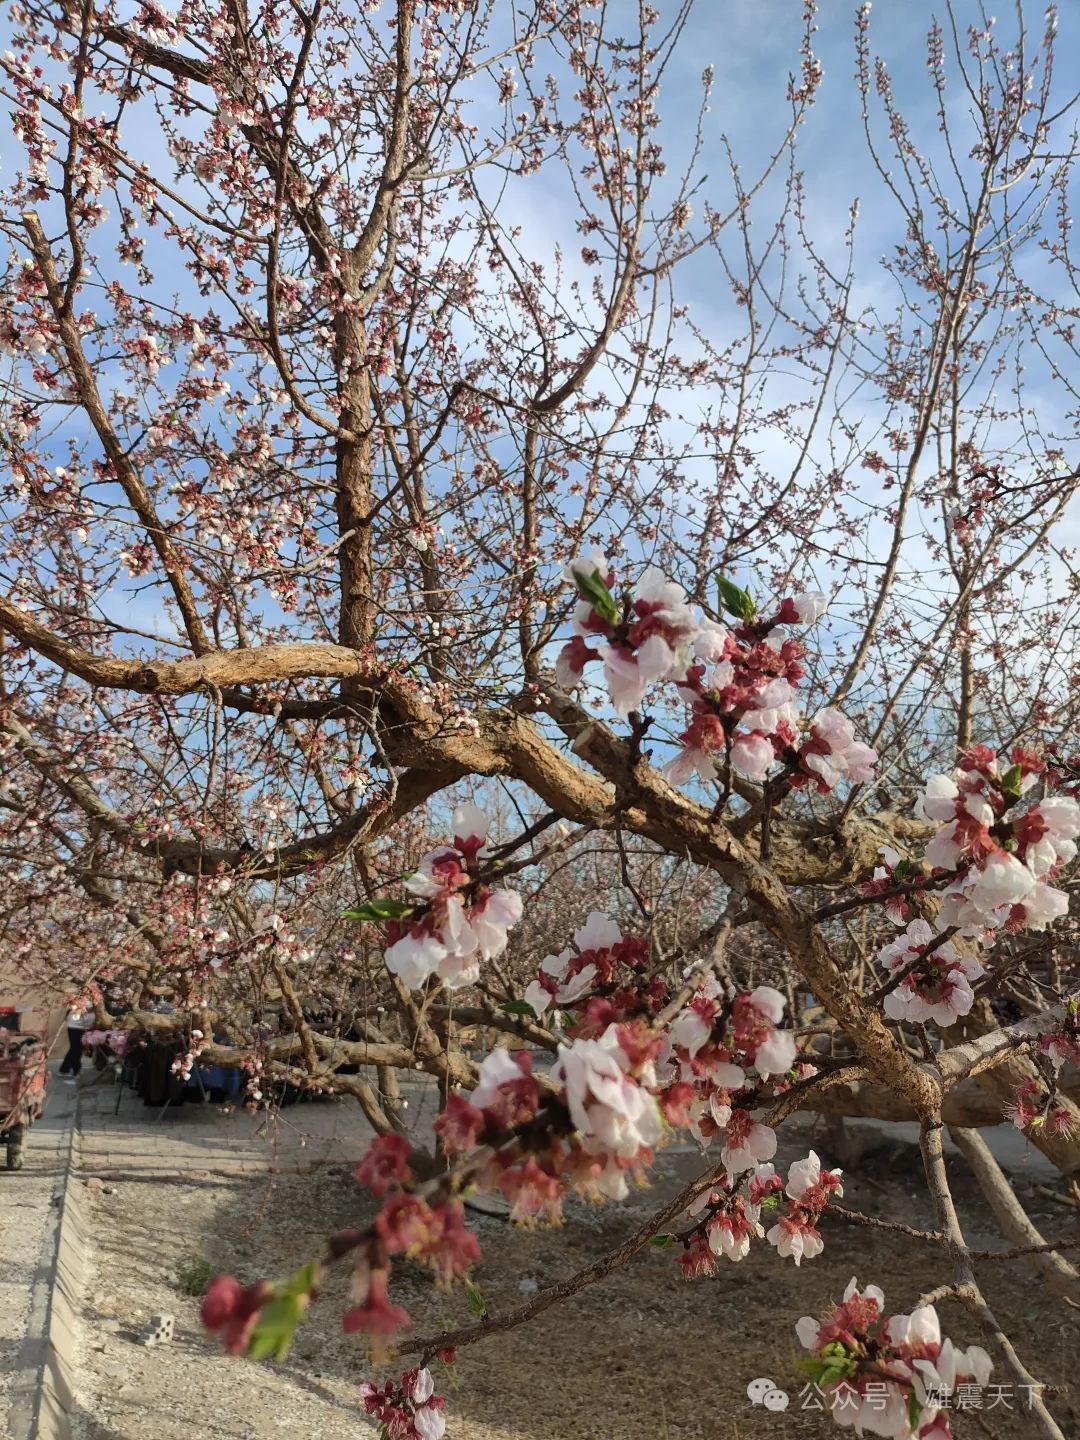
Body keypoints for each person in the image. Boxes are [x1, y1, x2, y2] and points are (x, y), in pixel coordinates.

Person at [59, 1006, 93, 1080]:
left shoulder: (90, 998)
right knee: (75, 1049)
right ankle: (75, 1070)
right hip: (75, 1027)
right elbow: (76, 1011)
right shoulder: (78, 1000)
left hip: (82, 1027)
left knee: (76, 1049)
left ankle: (65, 1069)